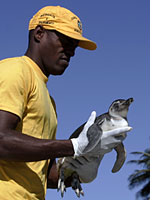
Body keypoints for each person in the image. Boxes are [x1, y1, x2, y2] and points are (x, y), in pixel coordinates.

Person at [0, 6, 132, 200]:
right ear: (39, 33)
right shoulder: (14, 71)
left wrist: (84, 165)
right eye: (65, 41)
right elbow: (1, 140)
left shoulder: (49, 101)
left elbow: (44, 174)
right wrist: (73, 146)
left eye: (75, 45)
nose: (71, 52)